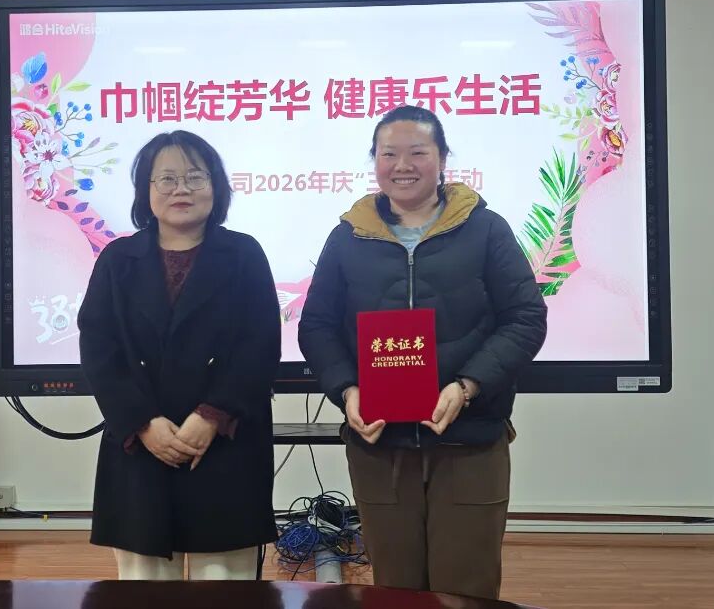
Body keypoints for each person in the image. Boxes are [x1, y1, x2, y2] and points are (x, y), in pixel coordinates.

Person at [298, 105, 547, 599]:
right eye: (388, 154)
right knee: (395, 589)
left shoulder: (485, 229)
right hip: (380, 445)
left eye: (418, 152)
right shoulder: (348, 237)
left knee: (465, 588)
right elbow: (317, 326)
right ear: (374, 160)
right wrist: (346, 390)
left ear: (442, 158)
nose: (402, 166)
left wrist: (468, 385)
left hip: (469, 441)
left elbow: (525, 317)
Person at [78, 130, 281, 580]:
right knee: (144, 586)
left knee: (224, 583)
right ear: (146, 190)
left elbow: (260, 345)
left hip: (224, 443)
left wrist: (212, 415)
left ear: (216, 186)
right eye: (166, 179)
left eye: (195, 177)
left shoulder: (244, 255)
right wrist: (142, 422)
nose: (181, 189)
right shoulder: (117, 259)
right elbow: (98, 348)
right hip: (141, 445)